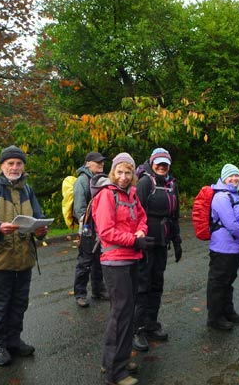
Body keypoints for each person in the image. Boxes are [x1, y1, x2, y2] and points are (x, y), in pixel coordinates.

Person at [0, 145, 49, 366]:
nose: (14, 167)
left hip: (24, 258)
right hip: (0, 259)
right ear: (1, 166)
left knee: (19, 303)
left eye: (19, 163)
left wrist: (41, 229)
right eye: (10, 163)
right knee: (0, 305)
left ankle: (13, 340)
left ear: (24, 166)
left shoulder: (28, 190)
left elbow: (38, 216)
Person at [92, 152, 149, 385]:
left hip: (132, 258)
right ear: (113, 173)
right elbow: (105, 231)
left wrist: (142, 231)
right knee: (121, 315)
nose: (124, 177)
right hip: (115, 260)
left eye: (128, 172)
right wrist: (133, 239)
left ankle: (117, 360)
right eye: (120, 172)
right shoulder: (107, 195)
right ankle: (115, 373)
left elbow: (142, 218)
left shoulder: (132, 194)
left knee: (126, 313)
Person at [133, 148, 182, 351]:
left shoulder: (171, 184)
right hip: (147, 240)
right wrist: (139, 238)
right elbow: (136, 212)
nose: (162, 167)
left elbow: (175, 214)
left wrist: (177, 240)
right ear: (152, 164)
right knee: (142, 284)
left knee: (157, 283)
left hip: (163, 240)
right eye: (158, 164)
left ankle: (151, 323)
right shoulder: (145, 182)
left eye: (165, 164)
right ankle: (137, 329)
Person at [206, 163, 239, 331]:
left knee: (228, 282)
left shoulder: (236, 195)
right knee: (218, 283)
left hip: (234, 247)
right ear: (223, 178)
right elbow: (231, 224)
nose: (235, 179)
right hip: (222, 248)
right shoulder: (221, 197)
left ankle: (227, 311)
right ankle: (215, 317)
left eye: (237, 176)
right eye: (231, 176)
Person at [73, 151, 109, 308]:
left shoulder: (102, 178)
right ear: (88, 163)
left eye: (102, 162)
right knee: (85, 260)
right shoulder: (82, 180)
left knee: (99, 258)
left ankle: (98, 290)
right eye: (97, 162)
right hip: (88, 225)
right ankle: (80, 294)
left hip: (101, 224)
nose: (101, 164)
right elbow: (79, 208)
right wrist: (85, 228)